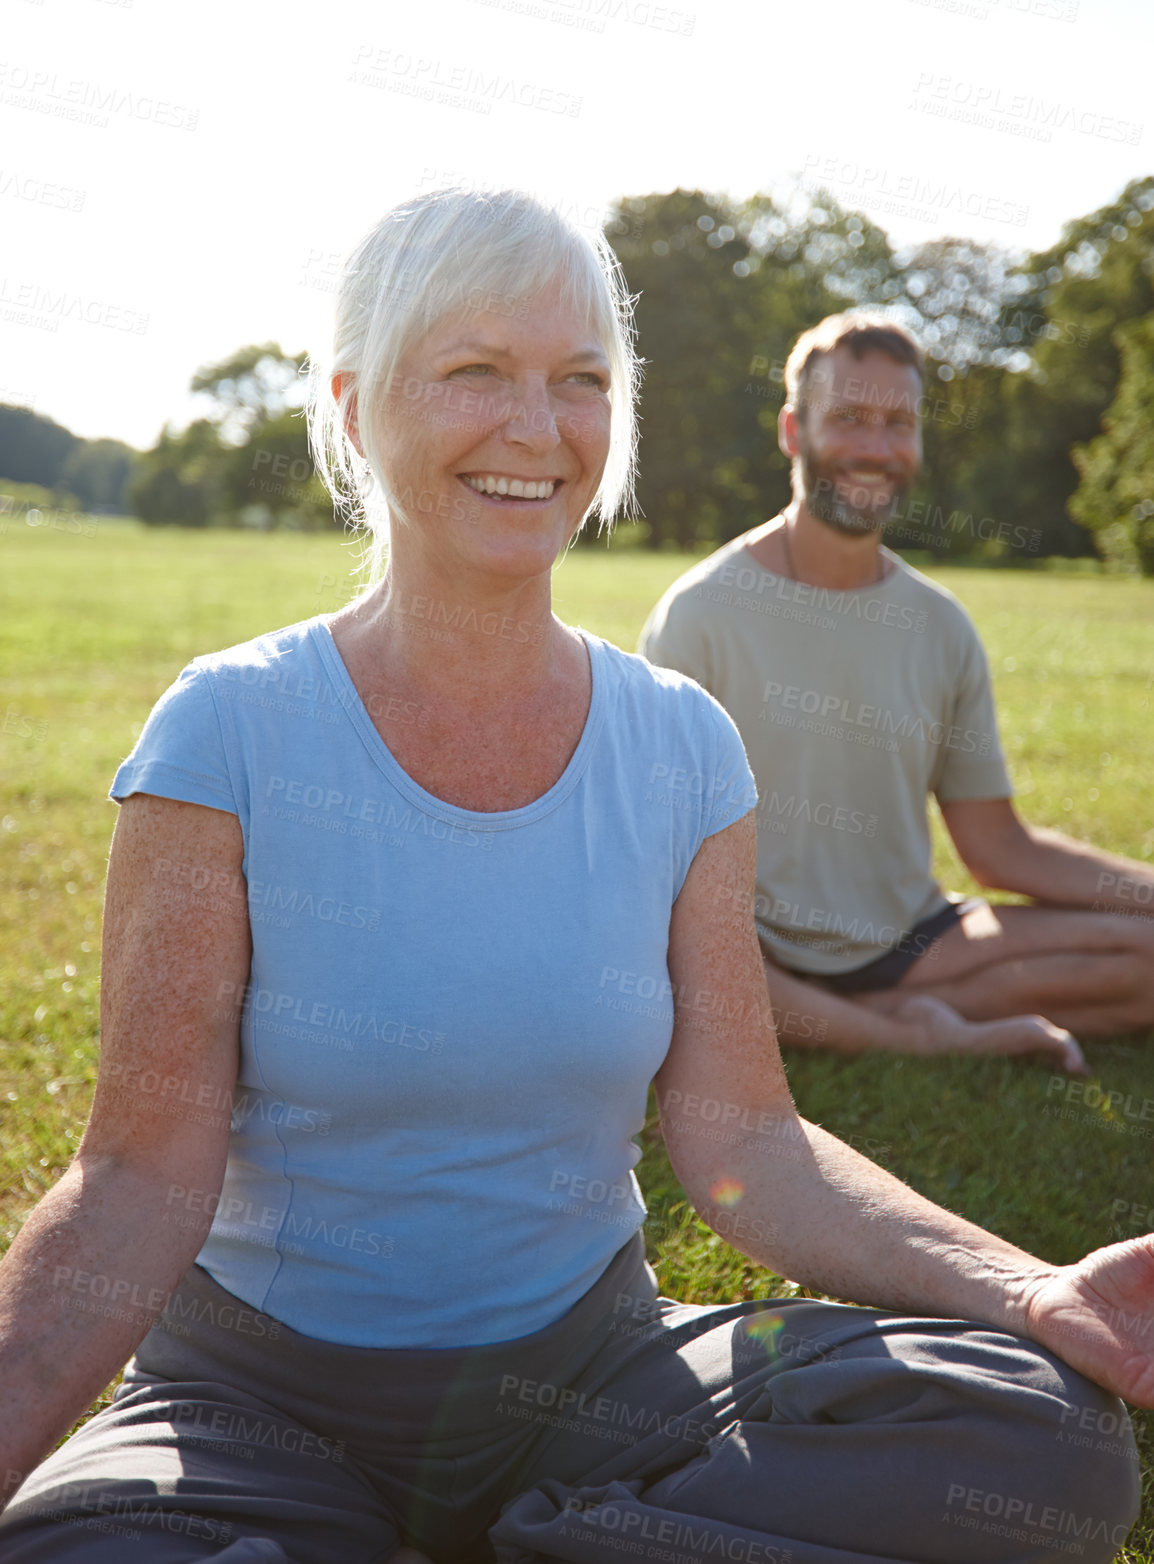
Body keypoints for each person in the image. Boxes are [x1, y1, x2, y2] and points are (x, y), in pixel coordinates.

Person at [0, 194, 1145, 1564]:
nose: (536, 431)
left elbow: (746, 1146)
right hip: (260, 1406)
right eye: (474, 371)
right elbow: (135, 1177)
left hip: (597, 1383)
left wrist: (1025, 1290)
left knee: (1046, 1435)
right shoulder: (227, 730)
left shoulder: (678, 746)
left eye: (580, 382)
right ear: (357, 409)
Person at [640, 310, 1154, 1067]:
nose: (875, 449)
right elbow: (660, 884)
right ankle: (908, 1035)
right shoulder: (701, 614)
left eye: (898, 423)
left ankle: (851, 1019)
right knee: (686, 966)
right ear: (793, 431)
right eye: (847, 418)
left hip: (915, 944)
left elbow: (999, 847)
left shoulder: (940, 625)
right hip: (753, 955)